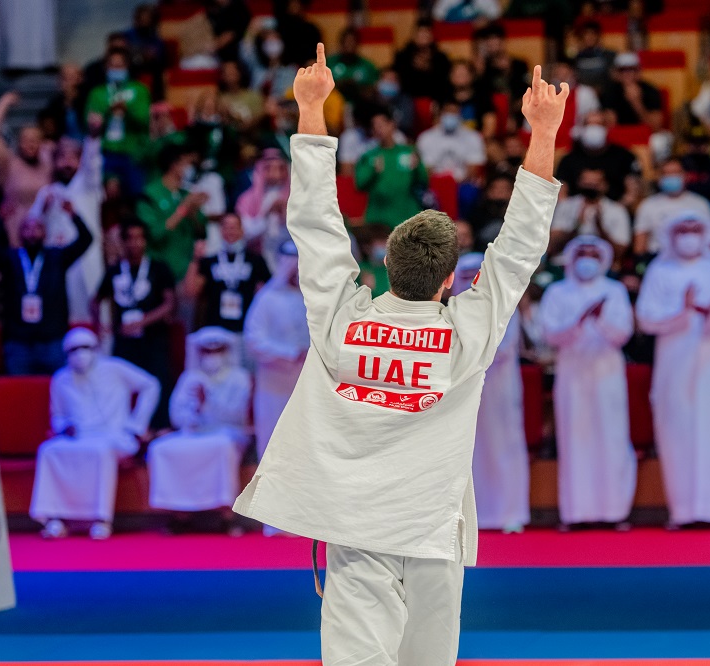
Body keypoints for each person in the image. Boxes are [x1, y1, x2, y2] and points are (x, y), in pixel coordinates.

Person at [232, 47, 563, 662]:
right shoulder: (467, 334)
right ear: (450, 281)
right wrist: (542, 132)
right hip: (431, 528)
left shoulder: (341, 319)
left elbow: (315, 222)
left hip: (356, 527)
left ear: (382, 268)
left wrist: (310, 108)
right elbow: (518, 249)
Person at [635, 210, 710, 529]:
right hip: (674, 364)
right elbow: (646, 317)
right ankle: (684, 510)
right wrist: (682, 311)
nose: (689, 235)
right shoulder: (660, 270)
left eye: (695, 228)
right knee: (678, 431)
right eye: (682, 229)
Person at [540, 236, 635, 529]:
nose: (588, 259)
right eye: (582, 253)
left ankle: (614, 512)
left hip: (607, 372)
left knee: (612, 436)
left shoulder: (615, 290)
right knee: (574, 438)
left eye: (594, 254)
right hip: (571, 373)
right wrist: (580, 322)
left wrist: (600, 321)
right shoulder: (557, 292)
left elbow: (623, 333)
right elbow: (550, 334)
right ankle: (575, 512)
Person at [30, 327, 160, 540]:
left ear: (96, 349)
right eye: (73, 349)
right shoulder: (61, 379)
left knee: (100, 451)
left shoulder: (115, 368)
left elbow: (150, 385)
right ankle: (53, 517)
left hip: (115, 435)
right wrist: (64, 426)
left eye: (85, 348)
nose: (80, 353)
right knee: (48, 450)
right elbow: (58, 415)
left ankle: (101, 519)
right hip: (79, 436)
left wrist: (137, 426)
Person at [451, 253, 530, 534]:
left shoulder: (505, 307)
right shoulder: (449, 309)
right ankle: (467, 517)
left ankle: (511, 512)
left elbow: (503, 348)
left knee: (503, 446)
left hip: (498, 390)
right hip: (460, 393)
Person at [147, 327, 252, 532]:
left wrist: (208, 402)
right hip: (195, 432)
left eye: (217, 351)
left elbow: (236, 415)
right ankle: (180, 514)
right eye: (207, 351)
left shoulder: (239, 378)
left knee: (222, 448)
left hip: (227, 431)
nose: (212, 356)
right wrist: (193, 414)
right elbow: (177, 413)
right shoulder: (190, 377)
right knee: (161, 448)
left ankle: (226, 515)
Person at [96, 219, 176, 429]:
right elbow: (96, 299)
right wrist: (100, 326)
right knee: (120, 385)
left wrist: (143, 321)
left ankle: (159, 429)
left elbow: (169, 304)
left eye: (139, 238)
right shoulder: (115, 270)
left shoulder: (159, 268)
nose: (135, 243)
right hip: (125, 342)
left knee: (159, 383)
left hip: (153, 339)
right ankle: (124, 428)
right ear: (123, 242)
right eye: (130, 238)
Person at [0, 209, 93, 375]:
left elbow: (86, 240)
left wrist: (73, 214)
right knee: (19, 394)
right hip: (18, 342)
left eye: (37, 228)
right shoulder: (10, 259)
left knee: (56, 392)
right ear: (20, 233)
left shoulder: (57, 257)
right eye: (27, 228)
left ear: (45, 233)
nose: (32, 233)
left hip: (52, 340)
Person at [27, 133, 104, 324]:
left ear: (80, 160)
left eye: (72, 158)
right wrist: (43, 210)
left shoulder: (88, 185)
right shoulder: (47, 192)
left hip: (88, 259)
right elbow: (30, 227)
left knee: (94, 310)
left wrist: (93, 136)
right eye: (62, 158)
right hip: (59, 261)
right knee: (61, 310)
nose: (67, 163)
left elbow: (93, 163)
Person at [243, 240, 307, 462]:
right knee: (274, 442)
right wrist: (291, 353)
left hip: (307, 384)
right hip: (274, 387)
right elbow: (253, 340)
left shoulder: (312, 299)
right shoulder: (267, 299)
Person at [185, 212, 270, 344]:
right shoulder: (209, 261)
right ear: (221, 231)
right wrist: (195, 259)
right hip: (215, 330)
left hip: (246, 330)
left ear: (242, 230)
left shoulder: (256, 260)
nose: (230, 232)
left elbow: (268, 294)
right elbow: (191, 292)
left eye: (234, 227)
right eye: (226, 227)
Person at [0, 92, 55, 242]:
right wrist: (5, 102)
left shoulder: (47, 162)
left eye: (35, 140)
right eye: (26, 140)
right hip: (15, 232)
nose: (30, 144)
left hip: (45, 231)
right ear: (19, 143)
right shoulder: (9, 163)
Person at [85, 48, 151, 197]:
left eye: (120, 65)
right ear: (106, 68)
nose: (116, 69)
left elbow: (144, 121)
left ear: (127, 67)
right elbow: (89, 124)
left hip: (133, 152)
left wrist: (127, 110)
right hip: (106, 152)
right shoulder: (97, 93)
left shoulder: (139, 90)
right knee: (107, 197)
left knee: (135, 197)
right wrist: (108, 112)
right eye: (112, 66)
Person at [137, 145, 208, 282]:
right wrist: (183, 208)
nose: (190, 168)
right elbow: (155, 234)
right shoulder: (150, 195)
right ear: (174, 165)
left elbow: (201, 232)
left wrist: (193, 211)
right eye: (187, 163)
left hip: (186, 271)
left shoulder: (186, 194)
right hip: (160, 272)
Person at [355, 109, 428, 228]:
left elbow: (423, 182)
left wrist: (417, 168)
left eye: (381, 125)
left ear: (391, 125)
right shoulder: (370, 156)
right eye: (375, 126)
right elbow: (359, 185)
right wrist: (373, 171)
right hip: (378, 217)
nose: (378, 129)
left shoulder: (408, 152)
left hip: (406, 214)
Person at [632, 158, 710, 256]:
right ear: (659, 178)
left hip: (693, 260)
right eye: (666, 173)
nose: (671, 177)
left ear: (686, 176)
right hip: (658, 258)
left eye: (675, 173)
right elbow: (640, 245)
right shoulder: (648, 205)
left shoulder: (700, 204)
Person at [555, 112, 642, 203]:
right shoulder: (568, 159)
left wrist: (615, 208)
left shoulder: (624, 157)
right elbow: (561, 194)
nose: (594, 128)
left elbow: (633, 192)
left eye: (598, 124)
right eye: (589, 124)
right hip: (575, 211)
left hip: (615, 210)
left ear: (607, 127)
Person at [549, 168, 631, 258]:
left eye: (595, 184)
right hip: (565, 263)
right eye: (587, 184)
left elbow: (620, 252)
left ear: (605, 185)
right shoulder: (566, 206)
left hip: (602, 264)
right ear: (579, 183)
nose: (591, 188)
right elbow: (552, 246)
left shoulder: (617, 210)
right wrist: (577, 225)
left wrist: (600, 226)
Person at [235, 148, 290, 267]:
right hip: (257, 257)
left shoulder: (295, 197)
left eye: (279, 168)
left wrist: (285, 215)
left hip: (288, 259)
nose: (274, 173)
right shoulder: (246, 199)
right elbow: (245, 233)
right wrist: (267, 213)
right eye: (268, 168)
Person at [416, 100, 487, 185]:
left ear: (460, 114)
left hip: (463, 183)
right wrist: (444, 183)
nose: (451, 115)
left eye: (454, 112)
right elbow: (427, 169)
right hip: (436, 183)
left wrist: (455, 183)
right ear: (441, 114)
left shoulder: (473, 137)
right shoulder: (426, 138)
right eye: (448, 111)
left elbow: (474, 167)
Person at [601, 52, 663, 132]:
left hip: (645, 133)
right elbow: (609, 126)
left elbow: (656, 127)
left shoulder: (650, 90)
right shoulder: (610, 91)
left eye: (631, 69)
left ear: (638, 71)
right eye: (622, 69)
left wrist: (636, 103)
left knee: (660, 141)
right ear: (616, 72)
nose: (627, 73)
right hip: (619, 134)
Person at [327, 28, 380, 102]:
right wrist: (340, 85)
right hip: (333, 104)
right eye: (347, 42)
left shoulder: (368, 66)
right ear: (341, 43)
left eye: (352, 42)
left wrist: (358, 88)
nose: (349, 45)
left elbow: (374, 89)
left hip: (360, 105)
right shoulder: (329, 63)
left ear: (358, 44)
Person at [574, 21, 617, 94]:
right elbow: (576, 78)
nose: (589, 37)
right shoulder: (577, 58)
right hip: (584, 96)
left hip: (606, 96)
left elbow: (613, 77)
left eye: (592, 34)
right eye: (586, 34)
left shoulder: (610, 55)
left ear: (598, 36)